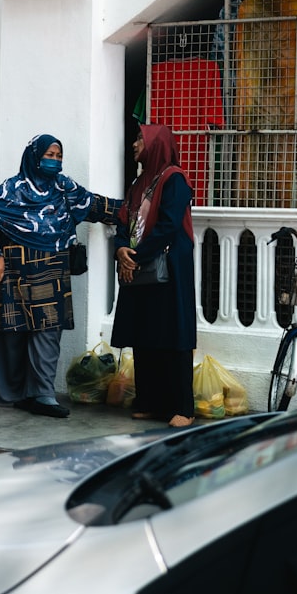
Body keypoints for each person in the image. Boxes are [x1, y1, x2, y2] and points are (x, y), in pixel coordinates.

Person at [0, 134, 121, 418]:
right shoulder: (12, 189)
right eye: (49, 155)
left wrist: (135, 209)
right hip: (14, 272)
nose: (54, 161)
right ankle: (16, 394)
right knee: (13, 334)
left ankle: (43, 395)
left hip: (50, 272)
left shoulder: (63, 187)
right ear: (34, 156)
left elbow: (93, 205)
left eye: (58, 156)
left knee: (48, 334)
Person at [111, 124, 197, 428]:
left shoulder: (175, 179)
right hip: (140, 265)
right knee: (144, 333)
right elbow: (123, 222)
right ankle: (149, 402)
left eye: (140, 139)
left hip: (168, 268)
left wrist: (135, 257)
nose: (135, 144)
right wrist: (121, 249)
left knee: (173, 335)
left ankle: (183, 408)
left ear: (156, 144)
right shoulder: (138, 184)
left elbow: (168, 226)